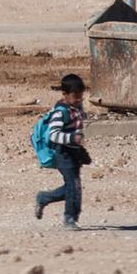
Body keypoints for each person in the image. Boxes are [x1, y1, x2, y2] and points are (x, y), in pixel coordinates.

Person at [35, 73, 92, 229]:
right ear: (65, 94)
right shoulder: (60, 112)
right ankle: (69, 218)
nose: (79, 98)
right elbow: (53, 135)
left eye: (81, 95)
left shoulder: (76, 108)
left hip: (74, 152)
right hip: (62, 153)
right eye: (75, 95)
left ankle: (44, 198)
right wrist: (72, 138)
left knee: (73, 186)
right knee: (74, 185)